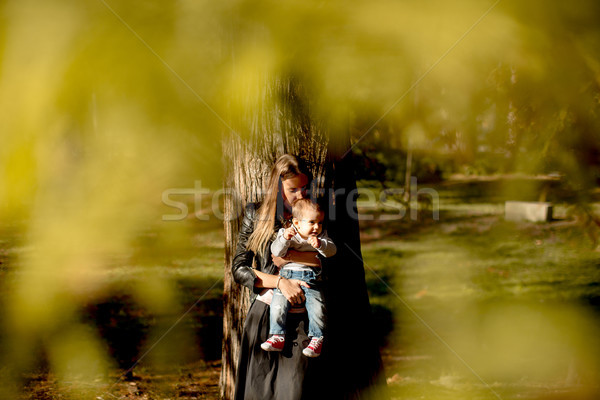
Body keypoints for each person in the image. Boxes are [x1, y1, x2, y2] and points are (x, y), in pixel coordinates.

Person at [232, 154, 321, 400]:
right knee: (260, 392)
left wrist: (292, 256)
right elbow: (239, 269)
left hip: (304, 316)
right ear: (277, 186)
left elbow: (326, 261)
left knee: (295, 390)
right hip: (264, 316)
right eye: (293, 189)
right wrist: (281, 282)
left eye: (305, 187)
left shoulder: (315, 216)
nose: (301, 195)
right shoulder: (256, 214)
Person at [261, 199, 336, 357]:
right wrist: (285, 239)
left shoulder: (321, 236)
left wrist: (320, 245)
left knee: (317, 307)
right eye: (312, 222)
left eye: (320, 222)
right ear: (297, 222)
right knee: (277, 305)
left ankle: (316, 338)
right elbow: (276, 251)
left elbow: (332, 251)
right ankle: (277, 335)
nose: (317, 227)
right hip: (286, 276)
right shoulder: (287, 232)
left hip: (311, 279)